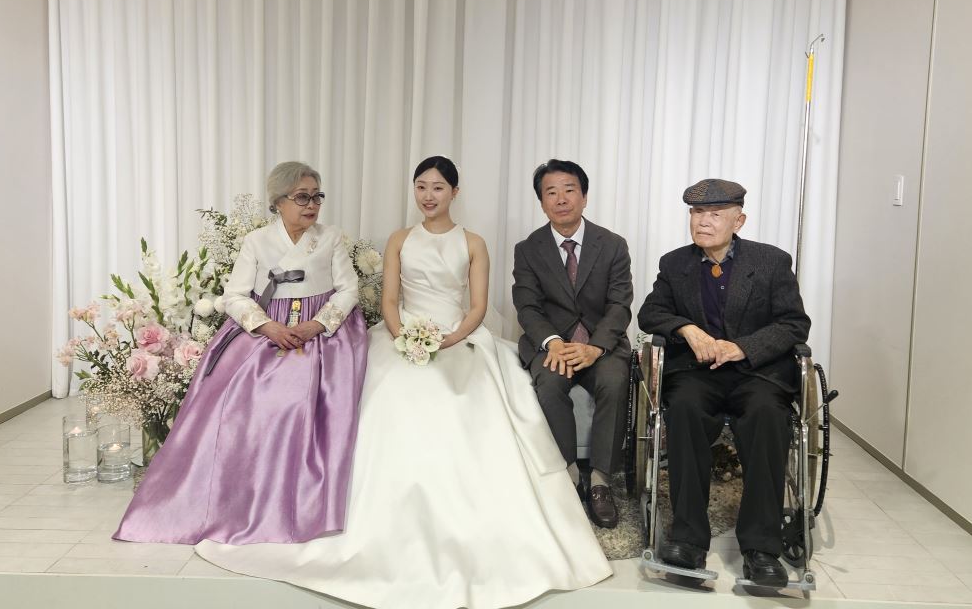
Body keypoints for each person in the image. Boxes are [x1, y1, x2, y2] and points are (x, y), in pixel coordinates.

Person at [195, 156, 611, 609]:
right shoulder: (399, 239)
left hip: (458, 337)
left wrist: (451, 338)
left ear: (455, 192)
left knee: (470, 399)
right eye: (421, 187)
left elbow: (477, 306)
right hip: (403, 335)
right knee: (388, 396)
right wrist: (403, 338)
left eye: (438, 187)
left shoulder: (473, 243)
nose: (428, 196)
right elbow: (390, 300)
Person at [114, 161, 368, 545]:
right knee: (236, 398)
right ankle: (233, 495)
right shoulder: (257, 241)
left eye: (317, 196)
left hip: (320, 334)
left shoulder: (329, 238)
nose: (312, 205)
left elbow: (349, 290)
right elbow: (235, 295)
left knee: (299, 402)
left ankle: (302, 499)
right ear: (278, 202)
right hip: (267, 328)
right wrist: (267, 326)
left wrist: (317, 324)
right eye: (302, 197)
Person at [637, 178, 810, 587]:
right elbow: (650, 313)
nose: (703, 221)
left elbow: (794, 324)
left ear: (738, 220)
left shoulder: (771, 262)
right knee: (683, 410)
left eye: (715, 214)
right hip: (698, 374)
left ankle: (761, 549)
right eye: (697, 213)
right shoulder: (675, 264)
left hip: (757, 374)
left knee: (768, 417)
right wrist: (687, 329)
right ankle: (687, 539)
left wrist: (743, 347)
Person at [512, 159, 633, 528]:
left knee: (614, 381)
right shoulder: (528, 249)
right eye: (551, 192)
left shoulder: (612, 245)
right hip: (555, 345)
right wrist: (552, 343)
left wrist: (595, 347)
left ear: (584, 196)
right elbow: (527, 306)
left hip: (601, 345)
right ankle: (567, 474)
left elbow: (620, 304)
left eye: (569, 190)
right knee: (549, 385)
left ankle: (599, 480)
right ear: (541, 202)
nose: (561, 199)